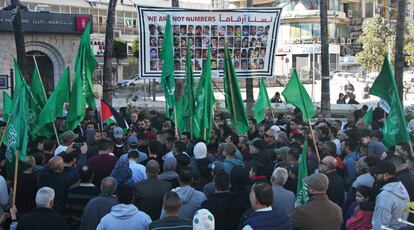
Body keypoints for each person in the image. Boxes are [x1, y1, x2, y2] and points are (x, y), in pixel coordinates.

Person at [371, 160, 410, 229]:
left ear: (386, 175)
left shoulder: (386, 195)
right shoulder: (401, 188)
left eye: (377, 174)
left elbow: (380, 225)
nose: (375, 176)